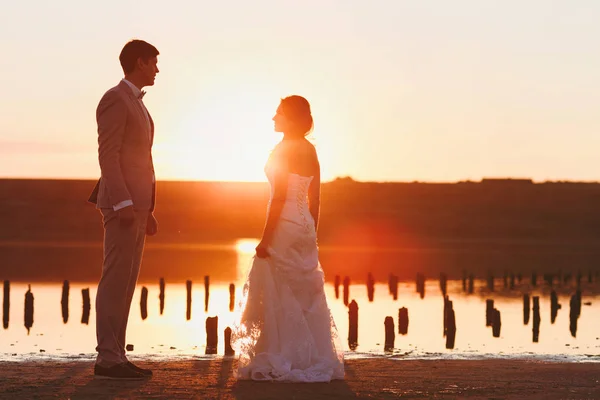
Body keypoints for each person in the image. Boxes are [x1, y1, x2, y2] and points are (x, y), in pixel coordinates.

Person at [232, 95, 345, 382]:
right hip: (305, 224)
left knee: (278, 288)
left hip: (283, 223)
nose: (273, 118)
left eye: (278, 113)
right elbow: (315, 197)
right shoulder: (310, 150)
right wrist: (311, 231)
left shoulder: (283, 150)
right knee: (305, 291)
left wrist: (265, 238)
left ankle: (284, 353)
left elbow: (280, 198)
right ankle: (312, 356)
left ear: (291, 118)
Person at [88, 39, 159, 379]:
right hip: (122, 207)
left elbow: (142, 161)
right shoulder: (114, 99)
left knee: (127, 282)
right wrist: (124, 202)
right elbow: (109, 155)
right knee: (115, 279)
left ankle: (117, 353)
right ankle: (106, 357)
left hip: (139, 208)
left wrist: (148, 208)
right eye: (154, 63)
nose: (157, 70)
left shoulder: (139, 105)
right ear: (140, 62)